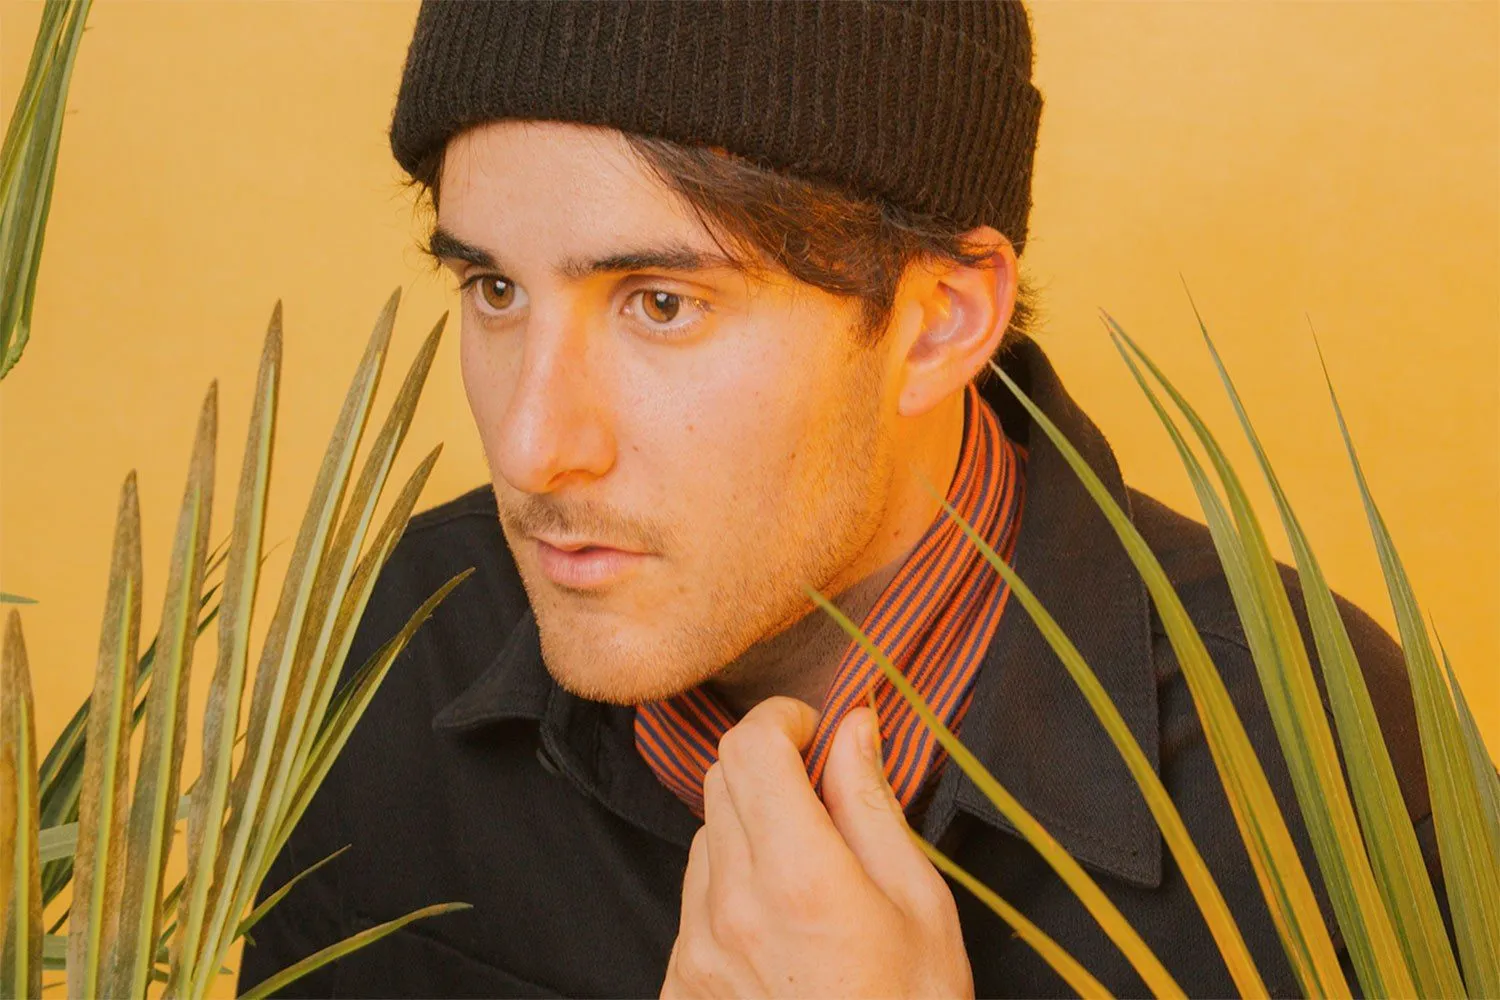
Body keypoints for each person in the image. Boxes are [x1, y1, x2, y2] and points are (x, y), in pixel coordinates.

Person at [237, 2, 1440, 997]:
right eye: (494, 289)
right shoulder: (400, 636)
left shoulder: (1318, 766)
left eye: (662, 303)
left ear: (939, 321)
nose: (533, 446)